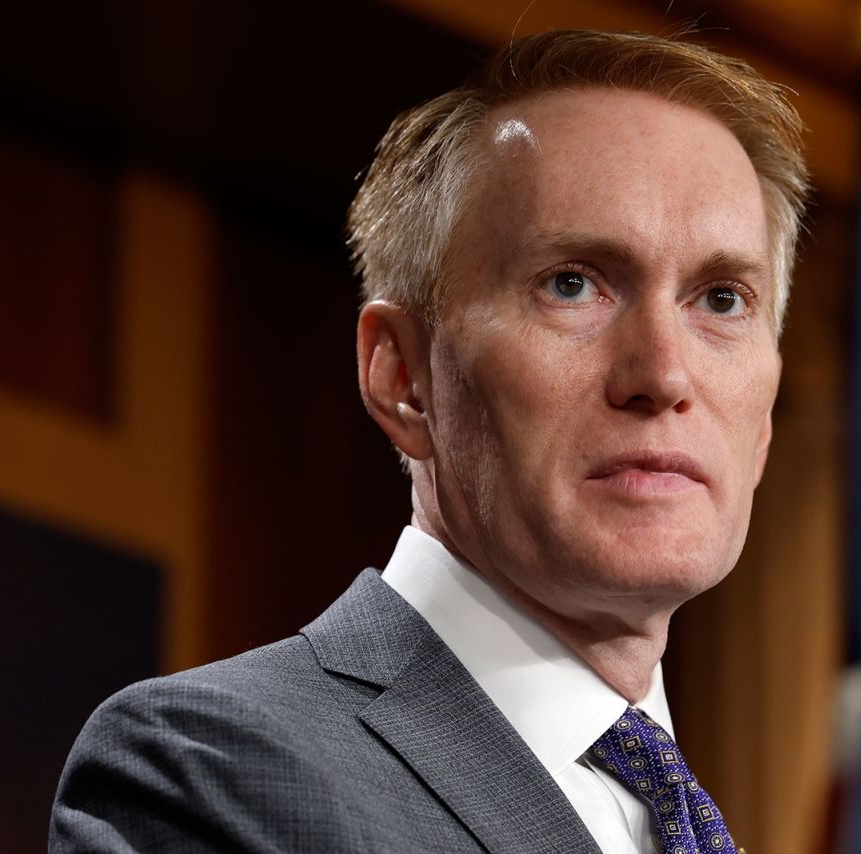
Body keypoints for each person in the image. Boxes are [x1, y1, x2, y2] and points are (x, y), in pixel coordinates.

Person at [50, 29, 808, 854]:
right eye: (572, 284)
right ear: (403, 376)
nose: (663, 375)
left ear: (764, 422)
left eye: (723, 300)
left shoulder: (686, 819)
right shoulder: (212, 770)